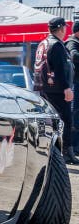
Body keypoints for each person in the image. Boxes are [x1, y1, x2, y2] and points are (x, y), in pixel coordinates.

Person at [38, 17, 76, 164]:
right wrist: (66, 87)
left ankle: (56, 153)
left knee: (53, 122)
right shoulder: (56, 45)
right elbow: (59, 68)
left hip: (45, 88)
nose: (66, 30)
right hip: (57, 90)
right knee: (66, 120)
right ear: (61, 29)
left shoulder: (44, 42)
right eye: (64, 28)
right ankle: (66, 153)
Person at [64, 21, 79, 153]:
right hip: (75, 84)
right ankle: (74, 147)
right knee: (75, 115)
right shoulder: (72, 42)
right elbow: (74, 55)